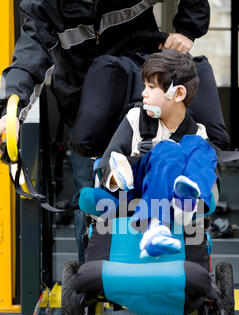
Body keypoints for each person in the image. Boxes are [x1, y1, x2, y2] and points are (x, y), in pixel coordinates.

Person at [0, 0, 227, 264]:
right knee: (90, 194)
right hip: (86, 106)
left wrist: (187, 30)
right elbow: (31, 55)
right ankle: (94, 275)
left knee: (167, 167)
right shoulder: (47, 4)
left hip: (141, 91)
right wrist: (11, 111)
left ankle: (168, 262)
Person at [79, 50, 218, 259]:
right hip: (136, 184)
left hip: (176, 191)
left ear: (178, 94)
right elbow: (105, 162)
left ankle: (186, 199)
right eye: (145, 86)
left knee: (199, 146)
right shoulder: (136, 118)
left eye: (151, 87)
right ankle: (155, 225)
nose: (143, 93)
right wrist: (116, 176)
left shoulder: (197, 132)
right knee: (168, 149)